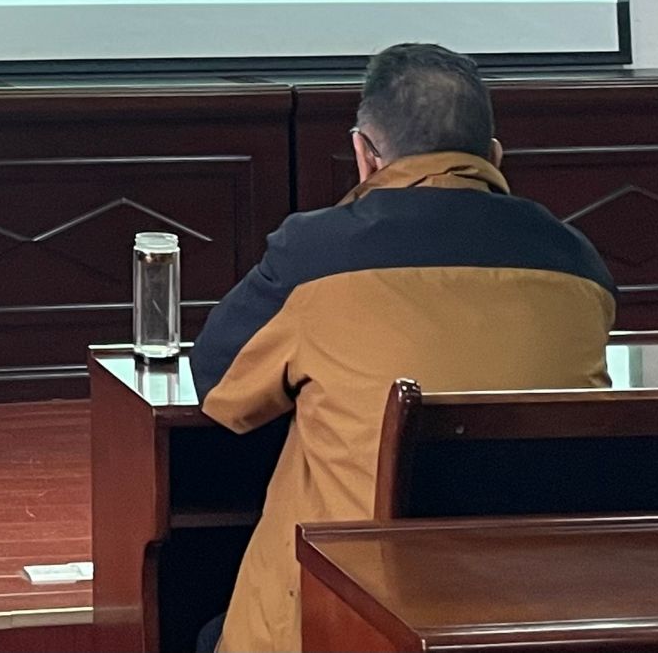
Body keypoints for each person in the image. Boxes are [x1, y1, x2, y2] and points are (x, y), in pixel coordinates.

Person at [189, 43, 616, 653]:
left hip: (350, 622)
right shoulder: (579, 264)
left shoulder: (314, 256)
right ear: (494, 157)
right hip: (526, 622)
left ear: (364, 154)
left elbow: (219, 387)